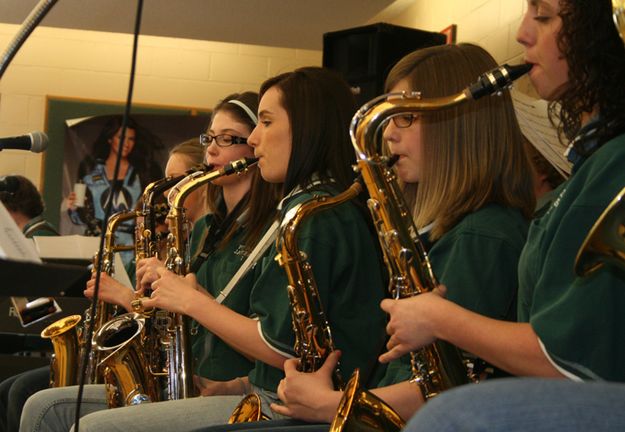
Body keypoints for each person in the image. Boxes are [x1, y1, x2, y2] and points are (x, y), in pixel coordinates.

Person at [24, 66, 388, 432]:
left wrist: (191, 301)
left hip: (292, 405)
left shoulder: (314, 215)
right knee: (45, 408)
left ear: (307, 128)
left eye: (265, 122)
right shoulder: (311, 208)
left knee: (87, 426)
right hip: (266, 392)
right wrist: (234, 381)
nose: (257, 139)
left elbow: (283, 348)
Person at [230, 43, 535, 431]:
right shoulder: (455, 232)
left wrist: (333, 404)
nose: (388, 135)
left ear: (460, 123)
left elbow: (449, 384)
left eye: (404, 117)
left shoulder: (484, 236)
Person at [380, 0, 625, 401]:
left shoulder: (612, 166)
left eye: (543, 16)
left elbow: (571, 359)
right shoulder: (589, 171)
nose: (521, 33)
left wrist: (439, 317)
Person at [18, 91, 275, 432]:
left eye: (227, 139)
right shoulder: (206, 230)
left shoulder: (267, 232)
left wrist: (144, 299)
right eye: (209, 138)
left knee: (78, 419)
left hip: (223, 387)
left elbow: (267, 341)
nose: (212, 149)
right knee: (39, 402)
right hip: (190, 378)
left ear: (254, 146)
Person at [0, 175, 58, 432]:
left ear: (8, 211)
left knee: (14, 389)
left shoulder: (38, 240)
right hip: (31, 330)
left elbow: (42, 309)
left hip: (41, 337)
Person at [66, 116, 163, 265]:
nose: (126, 143)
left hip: (133, 250)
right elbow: (81, 216)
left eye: (131, 139)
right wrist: (73, 209)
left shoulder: (143, 173)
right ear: (110, 139)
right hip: (98, 247)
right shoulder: (91, 171)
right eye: (121, 137)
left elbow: (153, 209)